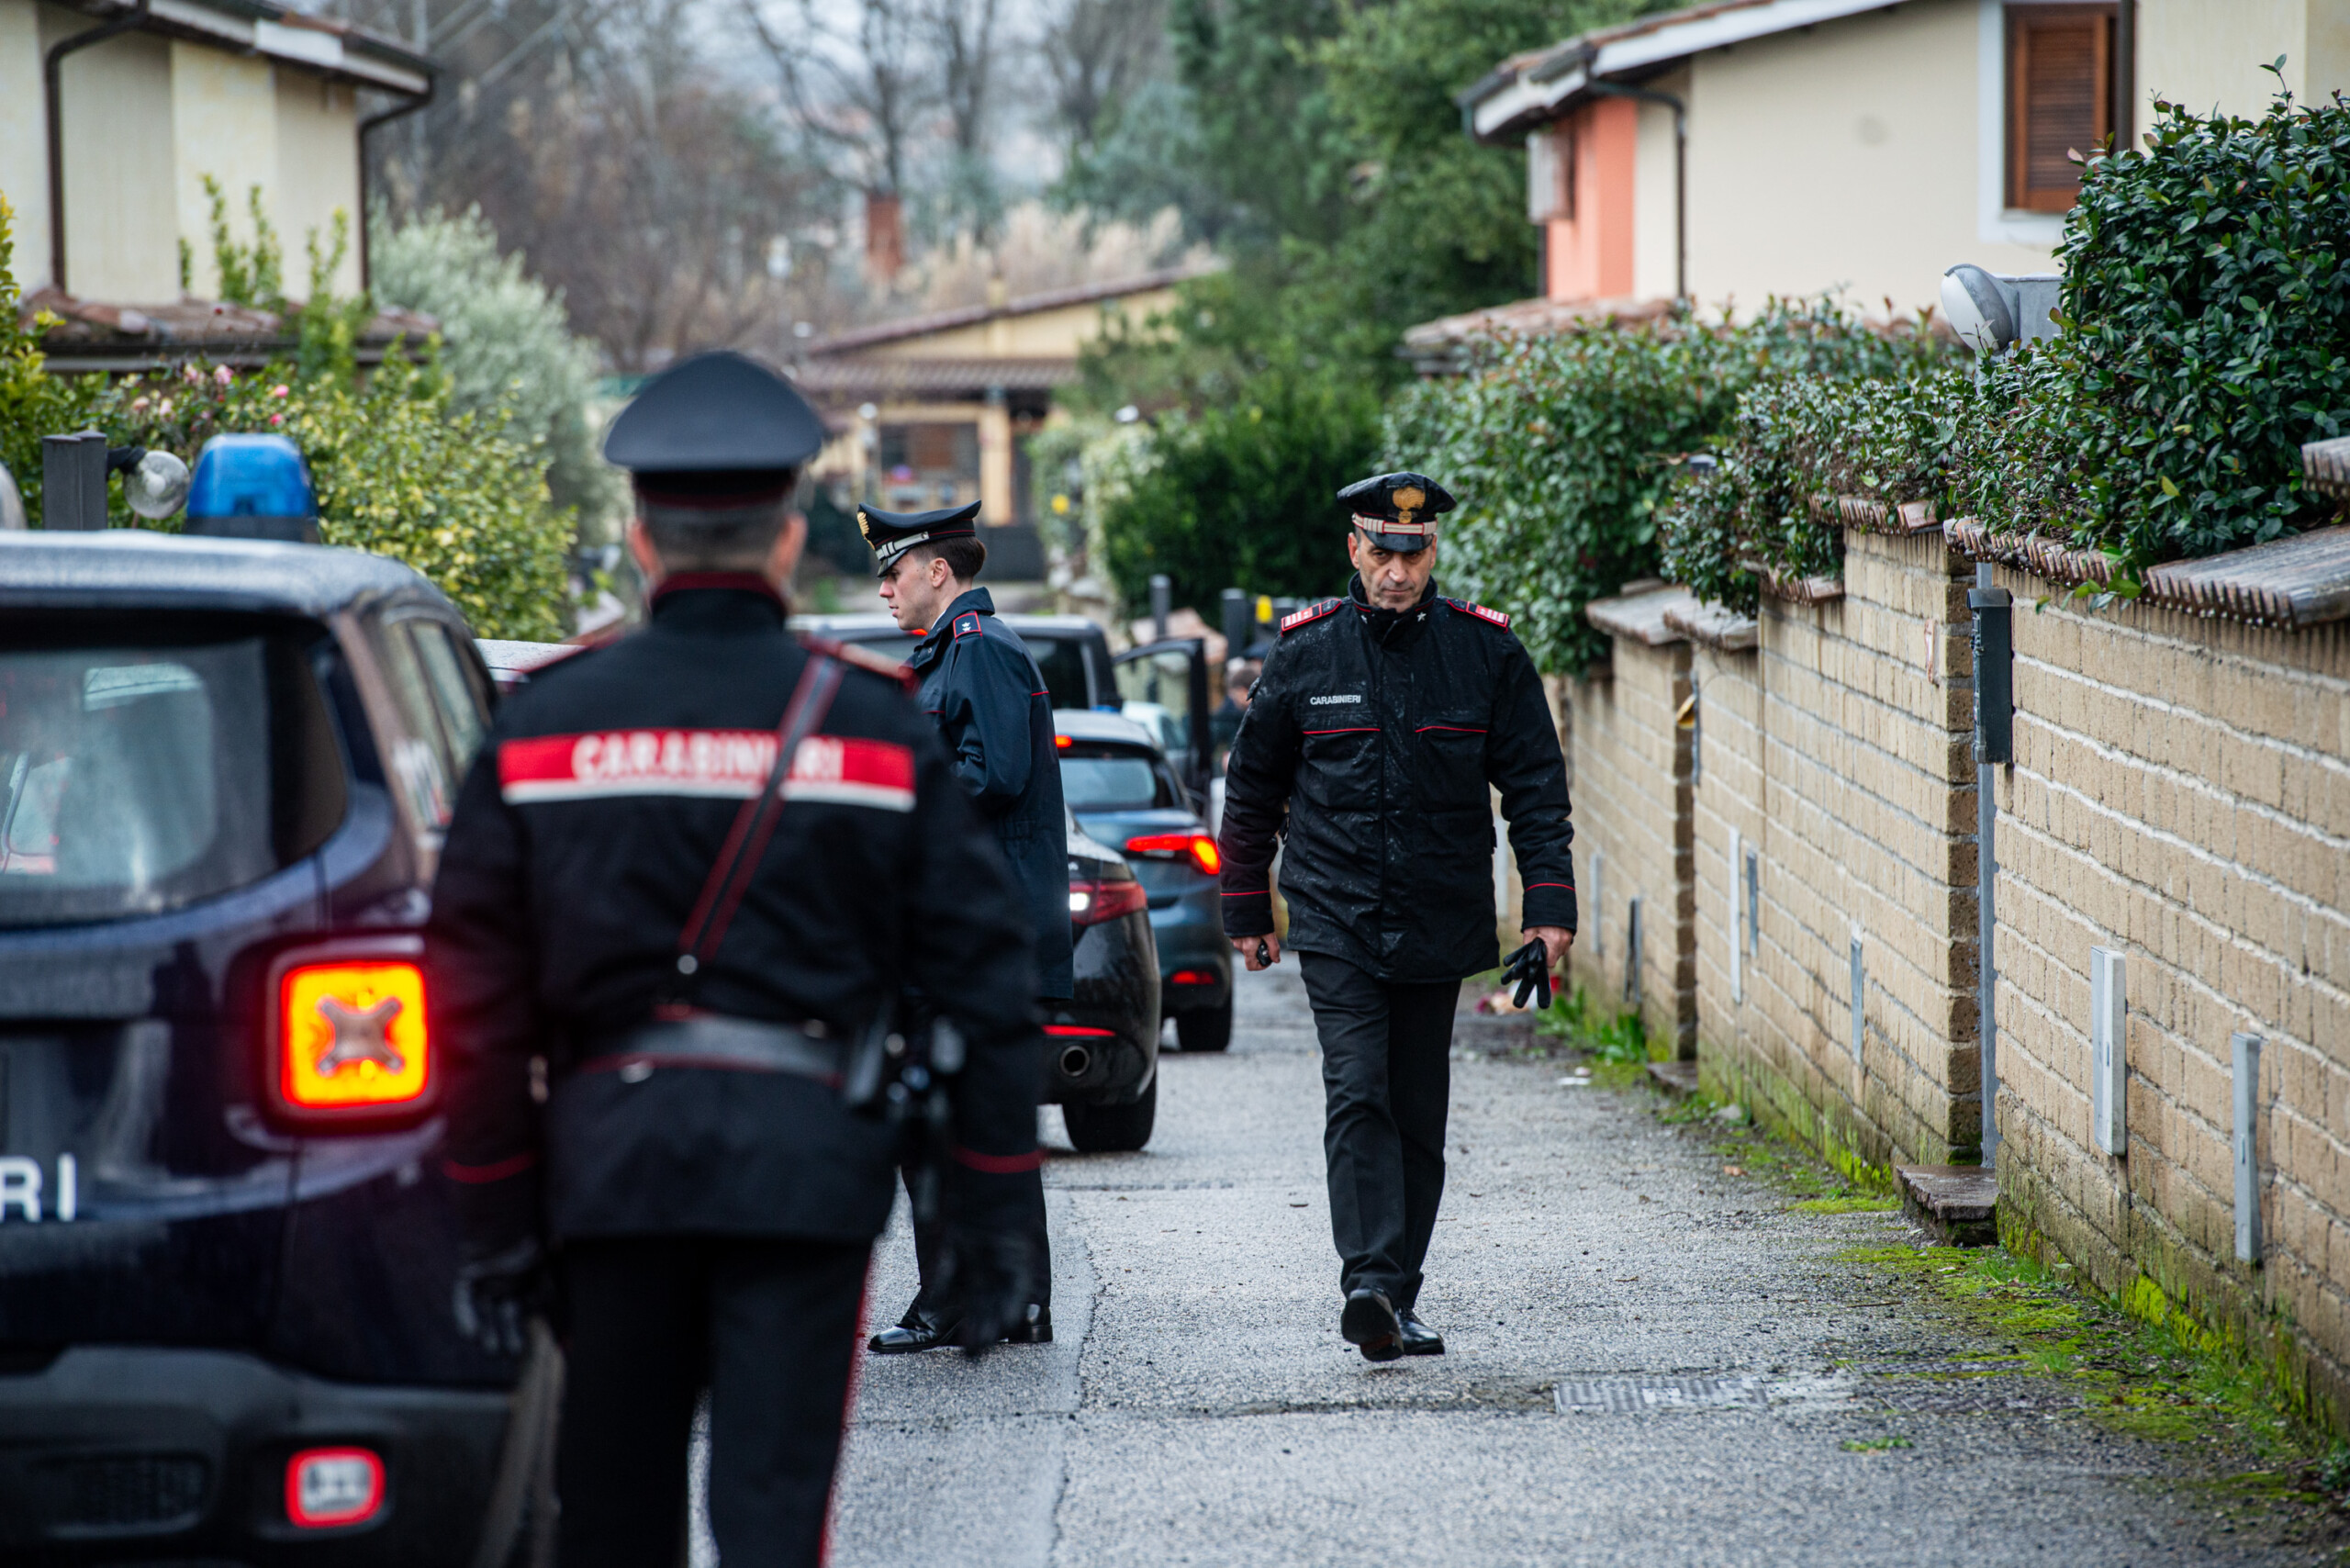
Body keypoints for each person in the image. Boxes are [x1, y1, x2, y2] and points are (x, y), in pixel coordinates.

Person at [426, 350, 1045, 1568]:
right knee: (771, 1519)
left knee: (609, 1522)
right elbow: (984, 980)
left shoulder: (543, 722)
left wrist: (492, 1218)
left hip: (604, 1179)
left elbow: (469, 1001)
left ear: (640, 541)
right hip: (803, 1178)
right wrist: (989, 1225)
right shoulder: (871, 723)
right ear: (782, 543)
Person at [1217, 471, 1576, 1362]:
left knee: (1418, 1113)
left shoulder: (1486, 654)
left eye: (1412, 553)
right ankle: (1368, 1279)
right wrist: (1244, 905)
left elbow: (1536, 788)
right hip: (1335, 917)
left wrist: (1547, 912)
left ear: (1433, 552)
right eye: (1381, 551)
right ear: (1354, 549)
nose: (1396, 571)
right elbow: (1252, 786)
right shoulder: (1304, 654)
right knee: (1357, 1089)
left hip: (1438, 918)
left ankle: (1397, 1296)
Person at [861, 501, 1069, 1353]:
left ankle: (971, 1298)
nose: (885, 588)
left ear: (936, 571)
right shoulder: (957, 651)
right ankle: (1002, 1297)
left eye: (894, 570)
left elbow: (994, 775)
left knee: (958, 1124)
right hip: (972, 932)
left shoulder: (978, 651)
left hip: (978, 935)